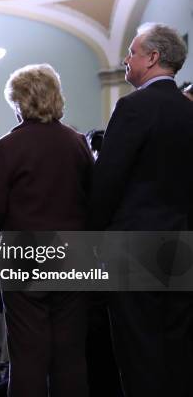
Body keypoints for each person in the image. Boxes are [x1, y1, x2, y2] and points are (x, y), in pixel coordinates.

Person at [90, 23, 193, 397]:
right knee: (177, 350)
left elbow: (107, 181)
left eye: (131, 53)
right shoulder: (188, 110)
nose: (126, 60)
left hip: (134, 248)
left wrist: (93, 237)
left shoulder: (132, 107)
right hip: (181, 244)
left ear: (152, 58)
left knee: (139, 354)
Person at [0, 64, 93, 397]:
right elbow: (94, 196)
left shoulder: (9, 146)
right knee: (71, 355)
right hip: (73, 256)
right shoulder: (76, 142)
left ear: (19, 102)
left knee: (27, 356)